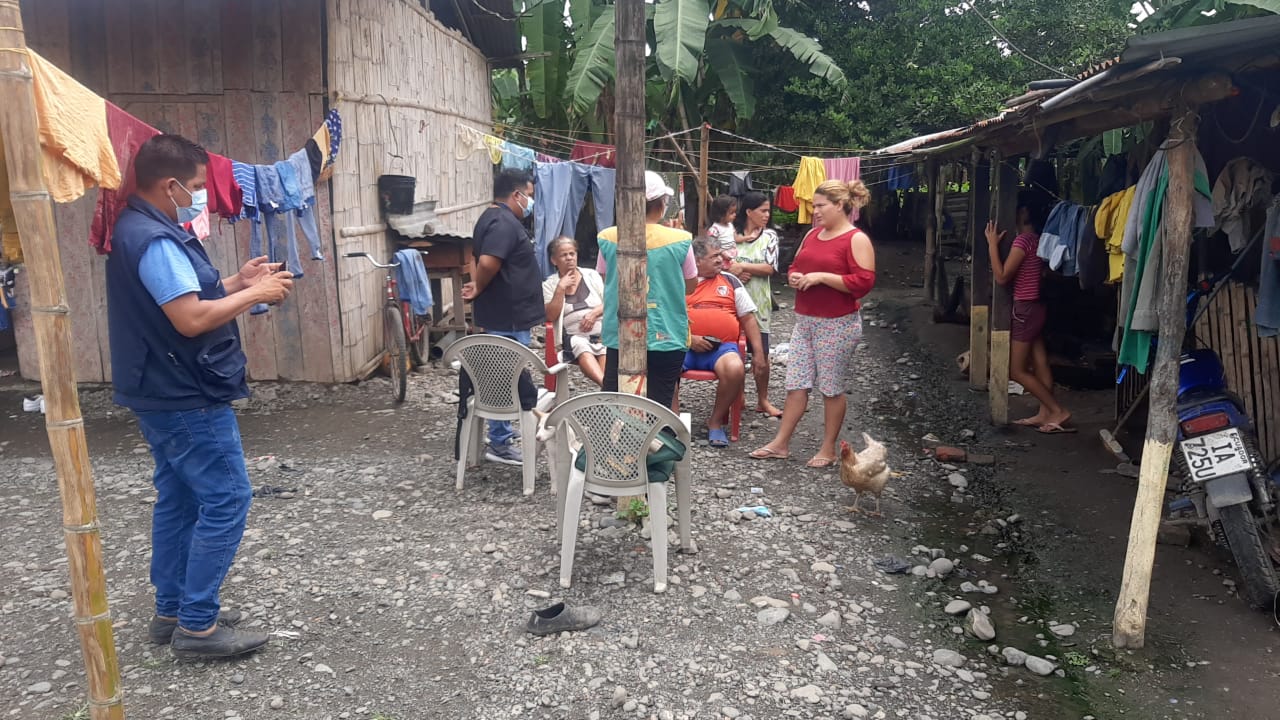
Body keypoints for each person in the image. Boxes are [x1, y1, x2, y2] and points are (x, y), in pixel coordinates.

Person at [107, 134, 294, 659]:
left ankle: (172, 611)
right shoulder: (156, 239)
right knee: (227, 498)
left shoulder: (138, 227)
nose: (200, 196)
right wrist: (254, 295)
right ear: (170, 186)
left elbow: (180, 296)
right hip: (184, 392)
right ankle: (197, 627)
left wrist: (235, 281)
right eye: (195, 186)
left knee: (180, 498)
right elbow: (189, 319)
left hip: (158, 387)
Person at [749, 179, 876, 468]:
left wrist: (822, 278)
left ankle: (828, 448)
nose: (815, 211)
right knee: (796, 383)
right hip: (804, 321)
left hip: (837, 324)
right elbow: (796, 265)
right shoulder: (812, 234)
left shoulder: (856, 239)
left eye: (820, 206)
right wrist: (795, 276)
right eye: (814, 206)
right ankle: (780, 443)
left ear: (840, 205)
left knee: (830, 388)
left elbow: (864, 282)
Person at [596, 170, 699, 409]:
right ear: (662, 204)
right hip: (667, 332)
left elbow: (605, 277)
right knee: (659, 402)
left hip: (620, 332)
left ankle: (616, 433)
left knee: (615, 397)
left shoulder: (609, 237)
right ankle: (655, 433)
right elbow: (691, 285)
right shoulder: (680, 240)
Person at [462, 170, 543, 465]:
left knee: (501, 375)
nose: (530, 202)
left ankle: (500, 431)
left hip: (506, 315)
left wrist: (478, 285)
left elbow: (481, 259)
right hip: (508, 317)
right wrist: (479, 285)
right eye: (529, 196)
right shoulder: (503, 222)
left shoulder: (493, 218)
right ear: (516, 195)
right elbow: (487, 262)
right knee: (503, 378)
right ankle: (500, 442)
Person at [985, 193, 1073, 433]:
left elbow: (1002, 277)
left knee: (1015, 369)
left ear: (1023, 213)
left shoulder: (1023, 241)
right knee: (1039, 361)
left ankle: (1057, 410)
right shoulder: (1038, 239)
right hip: (1037, 307)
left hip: (1025, 309)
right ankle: (1045, 413)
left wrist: (992, 245)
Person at [680, 236, 765, 446]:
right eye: (714, 256)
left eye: (720, 255)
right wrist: (689, 338)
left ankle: (716, 421)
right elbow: (666, 317)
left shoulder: (730, 280)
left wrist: (759, 353)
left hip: (722, 348)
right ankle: (674, 423)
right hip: (683, 345)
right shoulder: (680, 281)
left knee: (735, 368)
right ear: (697, 261)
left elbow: (748, 318)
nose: (720, 260)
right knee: (663, 366)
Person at [728, 191, 782, 418]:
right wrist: (733, 271)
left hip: (759, 303)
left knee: (761, 355)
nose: (767, 215)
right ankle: (737, 397)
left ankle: (763, 399)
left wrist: (742, 267)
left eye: (768, 211)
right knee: (734, 352)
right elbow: (719, 261)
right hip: (731, 303)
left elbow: (770, 267)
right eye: (763, 211)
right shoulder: (731, 234)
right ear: (749, 212)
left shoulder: (769, 236)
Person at [543, 236, 607, 387]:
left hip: (601, 334)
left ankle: (607, 389)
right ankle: (607, 387)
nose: (569, 258)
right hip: (574, 337)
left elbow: (609, 303)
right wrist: (560, 288)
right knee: (581, 345)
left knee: (606, 348)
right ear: (554, 260)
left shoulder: (592, 275)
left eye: (572, 253)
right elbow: (550, 316)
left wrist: (593, 314)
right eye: (564, 255)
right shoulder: (549, 284)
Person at [706, 195, 739, 259]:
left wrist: (748, 237)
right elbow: (711, 245)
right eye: (731, 213)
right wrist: (722, 253)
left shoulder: (730, 225)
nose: (735, 215)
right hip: (721, 258)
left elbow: (736, 238)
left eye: (735, 212)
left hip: (732, 256)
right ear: (721, 215)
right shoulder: (715, 229)